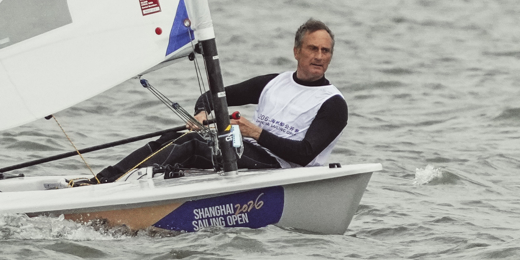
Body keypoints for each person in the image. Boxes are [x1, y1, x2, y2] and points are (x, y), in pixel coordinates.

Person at [95, 18, 347, 183]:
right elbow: (212, 96)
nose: (319, 56)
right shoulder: (273, 82)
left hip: (280, 167)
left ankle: (118, 184)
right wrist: (201, 113)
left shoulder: (333, 103)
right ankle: (103, 180)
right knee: (174, 137)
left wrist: (256, 133)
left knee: (193, 143)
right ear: (296, 52)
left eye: (325, 51)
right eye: (313, 48)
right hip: (245, 149)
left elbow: (304, 155)